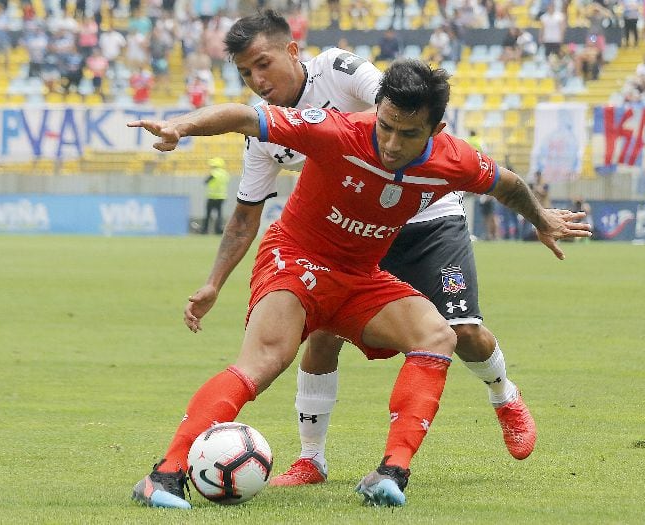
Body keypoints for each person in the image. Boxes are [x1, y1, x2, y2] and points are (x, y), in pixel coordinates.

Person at [127, 58, 591, 508]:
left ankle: (391, 473)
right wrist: (182, 126)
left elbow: (505, 184)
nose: (390, 142)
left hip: (360, 277)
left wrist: (541, 219)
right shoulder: (335, 131)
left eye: (407, 133)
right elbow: (246, 117)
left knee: (439, 335)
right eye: (385, 125)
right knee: (266, 360)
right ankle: (164, 474)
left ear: (436, 131)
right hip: (296, 260)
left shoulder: (455, 159)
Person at [181, 11, 537, 492]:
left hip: (426, 219)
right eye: (245, 74)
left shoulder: (339, 70)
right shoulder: (266, 136)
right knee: (323, 333)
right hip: (354, 234)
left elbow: (399, 106)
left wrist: (353, 145)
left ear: (292, 51)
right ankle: (311, 459)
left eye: (262, 65)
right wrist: (214, 282)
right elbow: (246, 216)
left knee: (463, 332)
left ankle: (504, 395)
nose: (257, 81)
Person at [201, 157, 229, 235]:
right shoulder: (225, 173)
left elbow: (206, 181)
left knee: (208, 214)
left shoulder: (214, 172)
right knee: (219, 215)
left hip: (212, 197)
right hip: (222, 197)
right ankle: (218, 230)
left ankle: (205, 230)